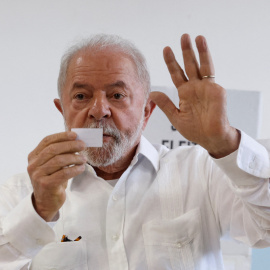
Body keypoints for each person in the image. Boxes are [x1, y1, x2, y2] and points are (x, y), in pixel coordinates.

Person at [0, 33, 269, 270]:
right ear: (63, 110)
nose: (99, 110)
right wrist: (40, 210)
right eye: (81, 96)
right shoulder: (20, 193)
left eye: (117, 95)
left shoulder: (201, 171)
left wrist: (226, 144)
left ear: (146, 111)